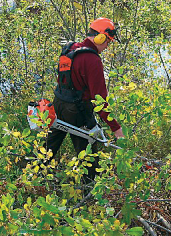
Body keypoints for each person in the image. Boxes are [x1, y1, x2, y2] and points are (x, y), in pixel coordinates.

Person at [46, 17, 124, 182]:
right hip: (78, 111)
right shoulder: (92, 60)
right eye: (108, 42)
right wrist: (116, 128)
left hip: (58, 104)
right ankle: (89, 196)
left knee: (47, 150)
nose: (107, 46)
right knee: (89, 159)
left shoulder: (70, 49)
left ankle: (32, 179)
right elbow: (100, 101)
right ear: (100, 37)